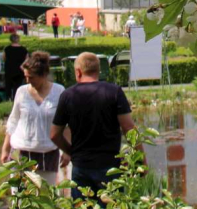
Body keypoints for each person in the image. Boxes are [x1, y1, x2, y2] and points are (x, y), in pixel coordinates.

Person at [51, 52, 135, 201]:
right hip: (110, 167)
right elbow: (129, 128)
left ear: (78, 72)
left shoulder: (68, 95)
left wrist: (71, 152)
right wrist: (140, 161)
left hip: (81, 166)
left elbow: (54, 134)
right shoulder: (114, 91)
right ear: (98, 70)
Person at [2, 52, 66, 184]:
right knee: (20, 199)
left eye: (31, 77)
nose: (27, 81)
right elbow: (13, 121)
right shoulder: (21, 92)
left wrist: (67, 151)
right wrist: (5, 149)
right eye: (26, 77)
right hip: (21, 152)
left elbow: (67, 124)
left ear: (43, 75)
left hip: (48, 153)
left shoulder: (59, 91)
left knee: (46, 198)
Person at [3, 34, 30, 101]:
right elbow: (27, 58)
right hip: (19, 69)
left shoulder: (7, 49)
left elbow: (4, 58)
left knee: (8, 84)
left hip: (9, 68)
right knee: (17, 85)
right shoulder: (23, 49)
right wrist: (22, 65)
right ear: (18, 39)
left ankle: (8, 98)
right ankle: (16, 98)